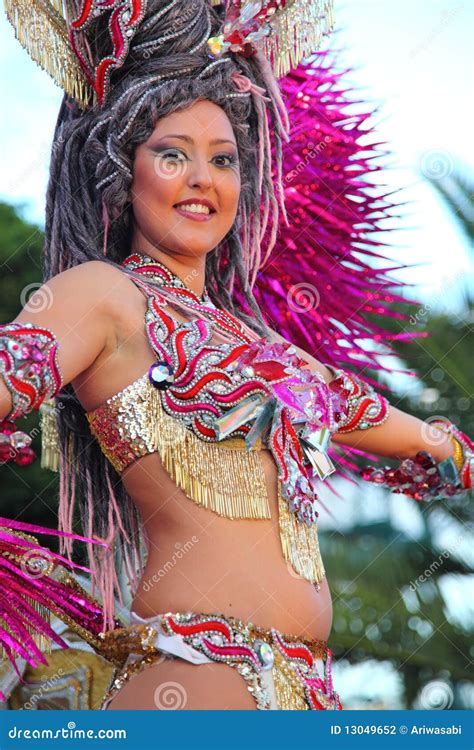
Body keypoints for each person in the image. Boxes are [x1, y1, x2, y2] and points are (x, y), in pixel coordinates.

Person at [1, 0, 472, 711]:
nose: (202, 177)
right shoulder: (104, 296)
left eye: (222, 159)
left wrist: (449, 451)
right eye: (172, 154)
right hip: (196, 682)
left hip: (313, 694)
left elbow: (404, 429)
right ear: (122, 172)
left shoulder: (272, 353)